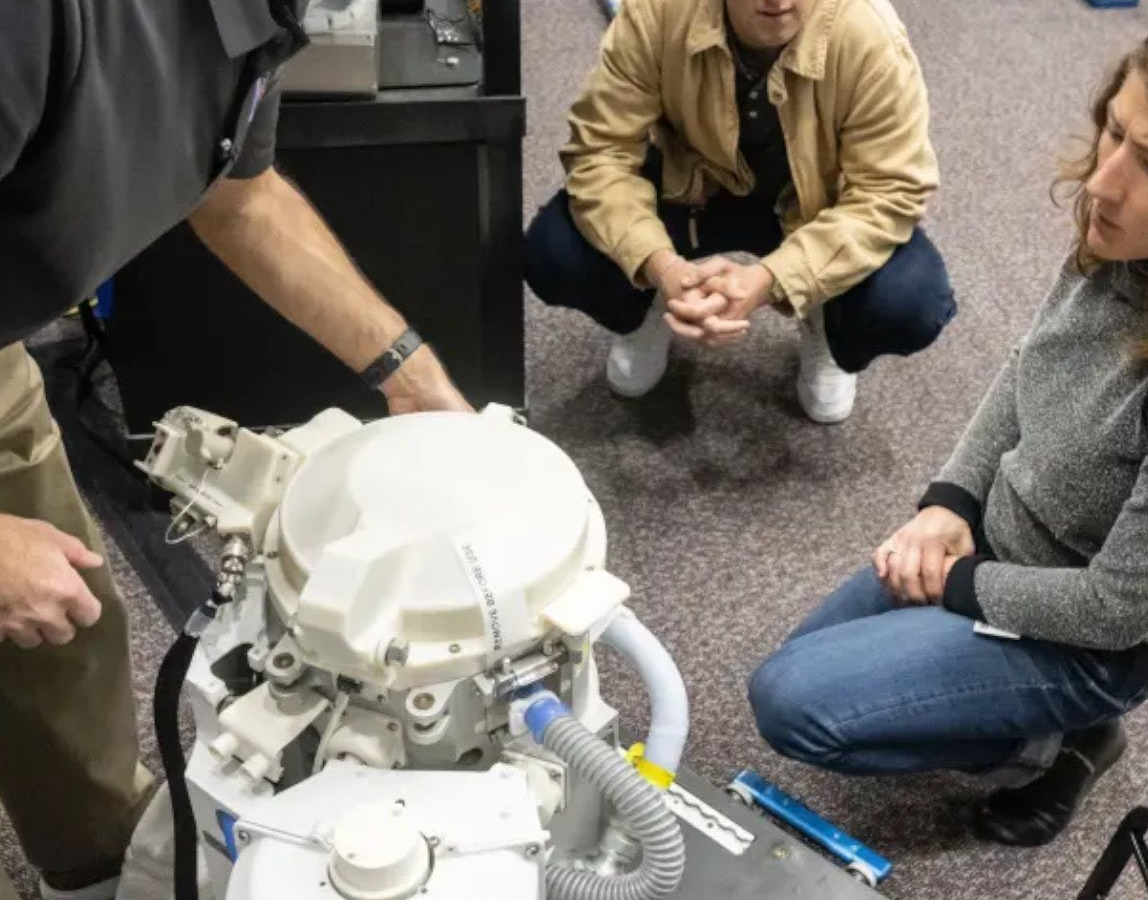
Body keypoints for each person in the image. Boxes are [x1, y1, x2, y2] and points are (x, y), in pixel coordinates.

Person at [747, 2, 1148, 847]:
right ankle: (1000, 692)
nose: (1102, 181)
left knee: (794, 706)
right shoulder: (1124, 234)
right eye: (1114, 132)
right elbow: (1030, 366)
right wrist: (948, 503)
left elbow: (1113, 609)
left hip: (1091, 639)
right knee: (793, 669)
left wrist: (953, 583)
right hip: (1005, 539)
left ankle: (1055, 744)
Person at [0, 2, 470, 898]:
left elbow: (240, 198)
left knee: (62, 625)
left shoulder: (257, 16)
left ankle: (97, 860)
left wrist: (409, 375)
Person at [523, 0, 956, 424]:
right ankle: (645, 305)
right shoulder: (657, 10)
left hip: (813, 208)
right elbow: (600, 152)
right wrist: (659, 265)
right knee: (555, 253)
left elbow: (889, 191)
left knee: (909, 300)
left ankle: (827, 316)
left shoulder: (870, 34)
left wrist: (777, 280)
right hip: (691, 189)